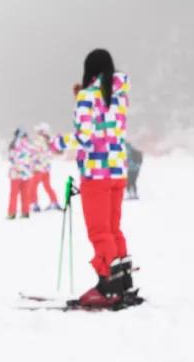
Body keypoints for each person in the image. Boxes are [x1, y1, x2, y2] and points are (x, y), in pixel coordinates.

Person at [45, 49, 136, 309]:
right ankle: (122, 283)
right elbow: (105, 123)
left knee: (99, 231)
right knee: (113, 228)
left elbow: (85, 136)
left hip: (96, 172)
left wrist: (56, 143)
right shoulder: (120, 96)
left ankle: (107, 286)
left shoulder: (87, 97)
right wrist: (81, 100)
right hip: (118, 170)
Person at [6, 128, 37, 220]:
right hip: (27, 173)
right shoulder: (30, 145)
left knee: (14, 194)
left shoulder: (13, 144)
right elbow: (34, 158)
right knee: (26, 193)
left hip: (16, 172)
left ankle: (12, 213)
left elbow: (11, 158)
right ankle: (25, 212)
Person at [31, 123, 61, 212]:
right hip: (46, 168)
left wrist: (32, 164)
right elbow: (50, 154)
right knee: (47, 186)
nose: (36, 132)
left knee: (33, 186)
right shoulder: (49, 140)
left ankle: (34, 204)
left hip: (38, 168)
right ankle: (54, 201)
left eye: (37, 131)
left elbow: (35, 154)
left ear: (41, 132)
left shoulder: (38, 140)